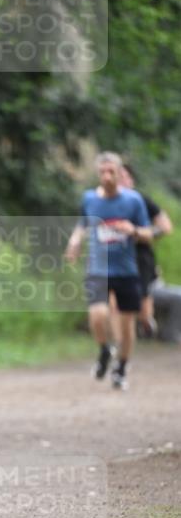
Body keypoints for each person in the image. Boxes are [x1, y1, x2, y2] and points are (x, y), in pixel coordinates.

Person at [65, 151, 152, 390]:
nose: (106, 176)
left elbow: (148, 234)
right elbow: (82, 224)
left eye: (111, 172)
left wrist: (132, 230)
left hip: (126, 270)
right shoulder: (90, 199)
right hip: (98, 268)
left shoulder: (133, 201)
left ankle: (122, 366)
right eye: (102, 172)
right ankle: (104, 349)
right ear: (97, 173)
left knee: (126, 326)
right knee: (98, 316)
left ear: (119, 173)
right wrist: (74, 242)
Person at [111, 163, 173, 339]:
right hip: (115, 258)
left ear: (131, 180)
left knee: (142, 308)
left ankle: (146, 324)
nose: (120, 181)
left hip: (140, 258)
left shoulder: (142, 201)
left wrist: (140, 234)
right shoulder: (104, 201)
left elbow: (165, 227)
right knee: (114, 303)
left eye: (123, 177)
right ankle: (117, 346)